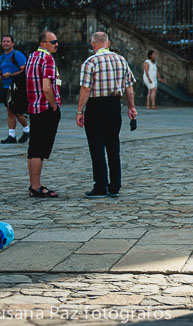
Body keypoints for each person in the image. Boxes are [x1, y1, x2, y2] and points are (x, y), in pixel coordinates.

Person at [76, 32, 137, 199]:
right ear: (108, 43)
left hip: (96, 106)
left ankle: (100, 185)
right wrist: (131, 107)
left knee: (97, 147)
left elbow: (86, 89)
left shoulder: (90, 62)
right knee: (113, 146)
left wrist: (80, 110)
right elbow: (129, 88)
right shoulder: (121, 60)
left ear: (93, 44)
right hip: (114, 105)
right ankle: (115, 185)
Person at [25, 30, 62, 198]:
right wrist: (54, 105)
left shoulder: (32, 57)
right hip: (45, 108)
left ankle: (33, 185)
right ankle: (37, 186)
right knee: (40, 150)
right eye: (53, 42)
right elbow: (47, 87)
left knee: (33, 149)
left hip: (33, 107)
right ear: (43, 44)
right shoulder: (47, 59)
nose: (56, 44)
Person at [0, 35, 30, 144]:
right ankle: (12, 135)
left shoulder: (17, 55)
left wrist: (11, 74)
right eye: (4, 41)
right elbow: (0, 70)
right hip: (6, 87)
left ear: (12, 44)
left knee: (17, 110)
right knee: (10, 111)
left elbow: (25, 69)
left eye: (8, 41)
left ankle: (27, 129)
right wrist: (0, 74)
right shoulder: (1, 57)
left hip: (17, 87)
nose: (5, 43)